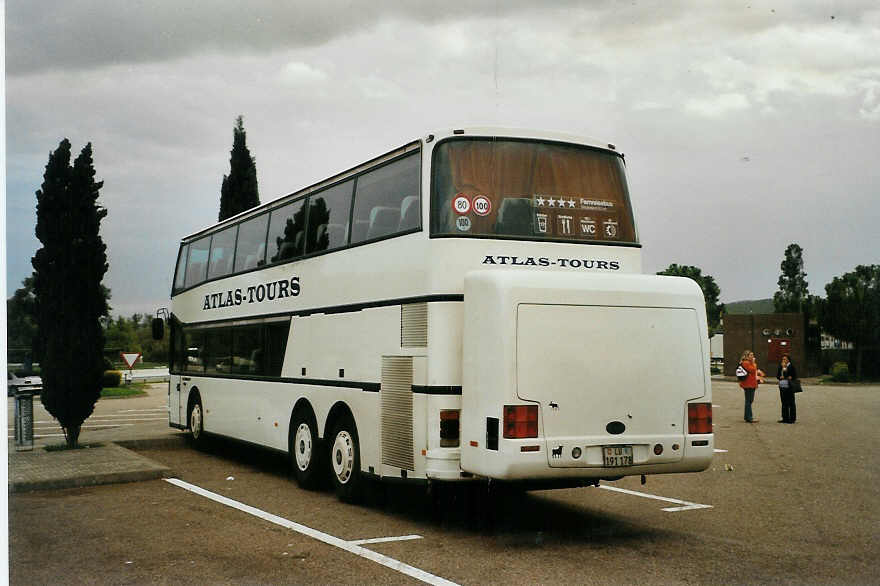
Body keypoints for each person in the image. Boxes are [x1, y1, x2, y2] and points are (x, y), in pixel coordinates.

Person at [739, 350, 765, 423]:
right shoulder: (746, 363)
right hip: (748, 384)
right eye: (751, 355)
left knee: (749, 401)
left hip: (750, 384)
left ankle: (747, 416)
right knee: (749, 401)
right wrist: (753, 363)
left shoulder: (747, 363)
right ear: (747, 356)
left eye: (753, 355)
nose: (753, 356)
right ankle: (749, 417)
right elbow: (753, 370)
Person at [776, 354, 798, 424]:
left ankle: (792, 418)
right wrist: (780, 377)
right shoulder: (780, 366)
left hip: (789, 386)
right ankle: (785, 418)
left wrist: (787, 374)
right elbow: (777, 375)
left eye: (785, 359)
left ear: (788, 360)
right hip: (782, 386)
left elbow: (794, 376)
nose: (783, 360)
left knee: (791, 402)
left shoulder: (791, 366)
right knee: (784, 402)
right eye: (782, 359)